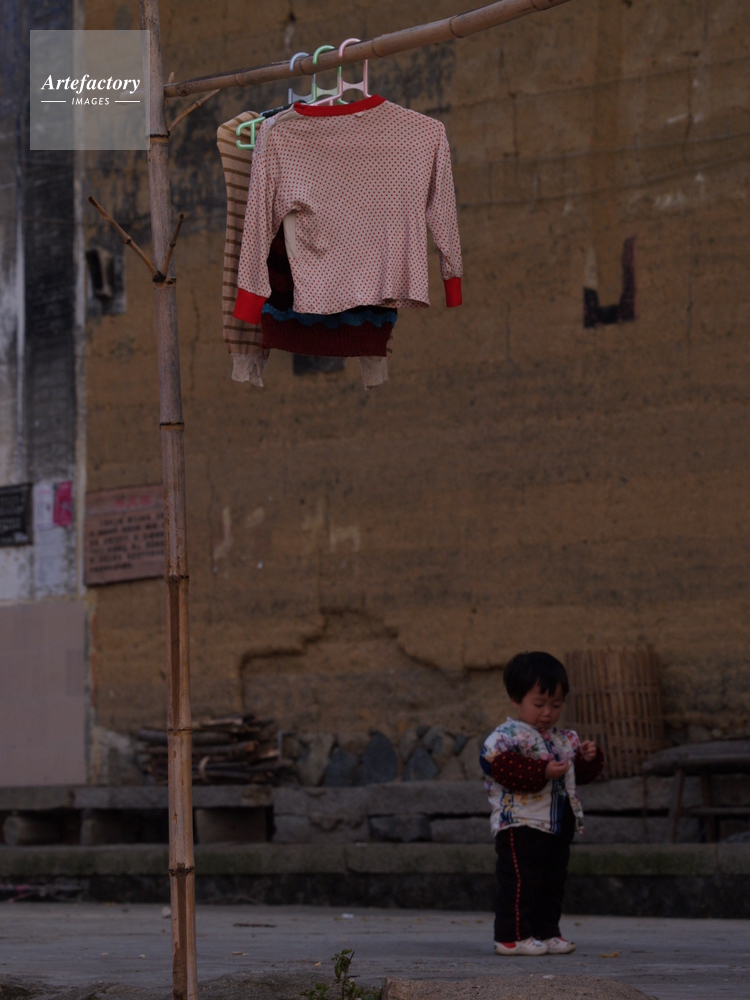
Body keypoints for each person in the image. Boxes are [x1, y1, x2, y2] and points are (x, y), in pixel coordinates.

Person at [480, 651, 604, 956]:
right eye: (539, 704)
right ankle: (511, 936)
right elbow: (498, 766)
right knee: (520, 881)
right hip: (519, 823)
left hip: (558, 825)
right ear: (516, 699)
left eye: (556, 705)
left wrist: (588, 758)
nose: (548, 713)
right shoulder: (506, 737)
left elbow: (579, 776)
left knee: (552, 883)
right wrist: (542, 771)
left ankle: (547, 932)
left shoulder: (565, 740)